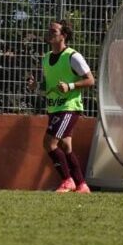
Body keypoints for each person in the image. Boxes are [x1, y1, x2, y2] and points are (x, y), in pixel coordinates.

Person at [27, 20, 95, 193]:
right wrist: (36, 87)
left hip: (69, 107)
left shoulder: (73, 57)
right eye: (49, 30)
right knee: (65, 147)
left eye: (54, 31)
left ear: (63, 35)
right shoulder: (46, 58)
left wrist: (70, 86)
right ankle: (82, 185)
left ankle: (67, 180)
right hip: (54, 108)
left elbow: (90, 80)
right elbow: (49, 88)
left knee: (49, 143)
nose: (50, 33)